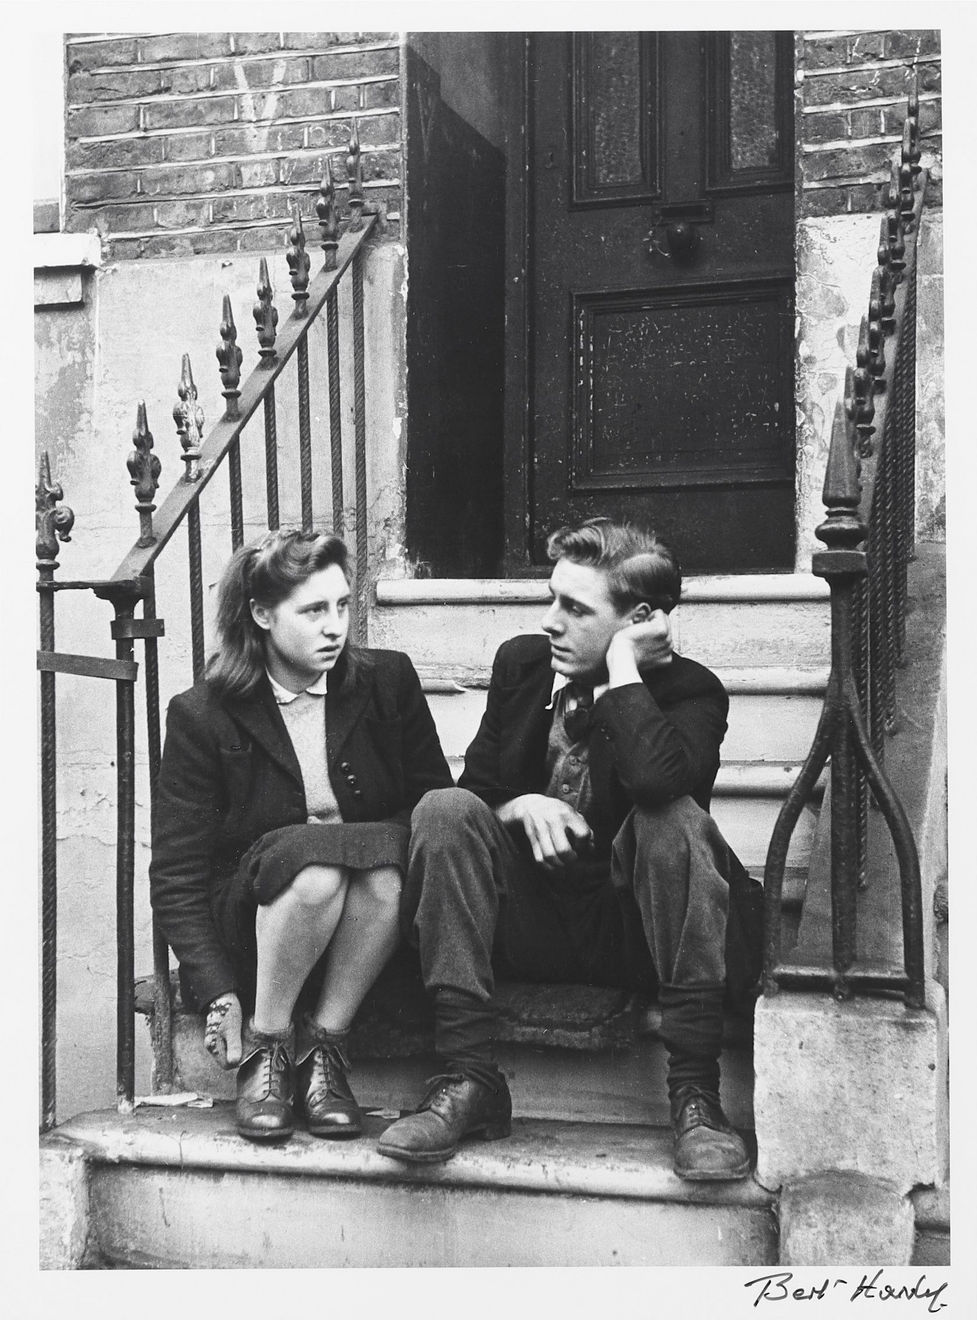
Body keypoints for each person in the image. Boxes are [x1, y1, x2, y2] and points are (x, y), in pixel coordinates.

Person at [378, 517, 763, 1180]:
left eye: (575, 608)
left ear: (638, 619)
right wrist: (516, 804)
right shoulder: (522, 664)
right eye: (550, 599)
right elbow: (478, 789)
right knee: (444, 810)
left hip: (633, 930)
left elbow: (655, 782)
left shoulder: (693, 693)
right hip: (533, 920)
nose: (550, 622)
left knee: (671, 819)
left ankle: (696, 1095)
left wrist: (621, 671)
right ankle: (469, 1078)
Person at [150, 528, 452, 1143]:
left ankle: (325, 1050)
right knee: (312, 867)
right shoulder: (203, 714)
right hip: (260, 924)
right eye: (313, 610)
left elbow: (431, 807)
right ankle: (268, 1046)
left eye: (343, 606)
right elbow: (177, 874)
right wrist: (215, 988)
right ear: (261, 614)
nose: (335, 626)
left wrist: (348, 843)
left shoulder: (386, 682)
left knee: (380, 868)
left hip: (368, 924)